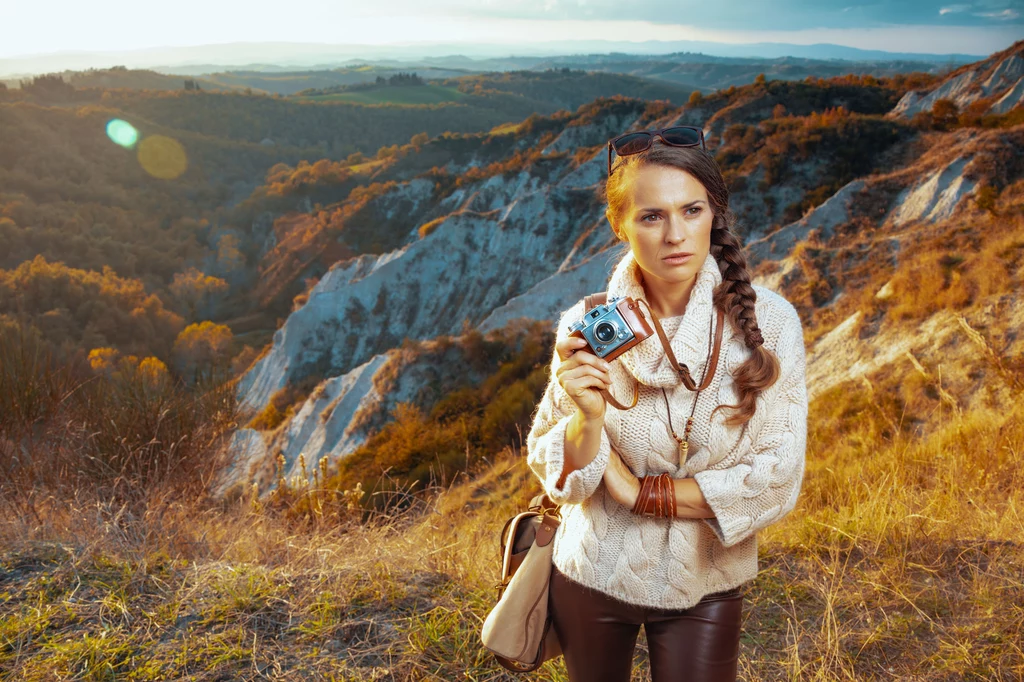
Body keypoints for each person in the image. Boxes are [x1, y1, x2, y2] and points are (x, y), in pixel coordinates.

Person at [525, 127, 809, 682]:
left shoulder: (770, 323)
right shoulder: (586, 324)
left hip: (704, 578)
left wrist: (636, 491)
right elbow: (564, 481)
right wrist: (586, 416)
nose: (675, 234)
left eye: (692, 210)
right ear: (621, 225)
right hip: (592, 570)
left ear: (714, 213)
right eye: (651, 216)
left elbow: (778, 477)